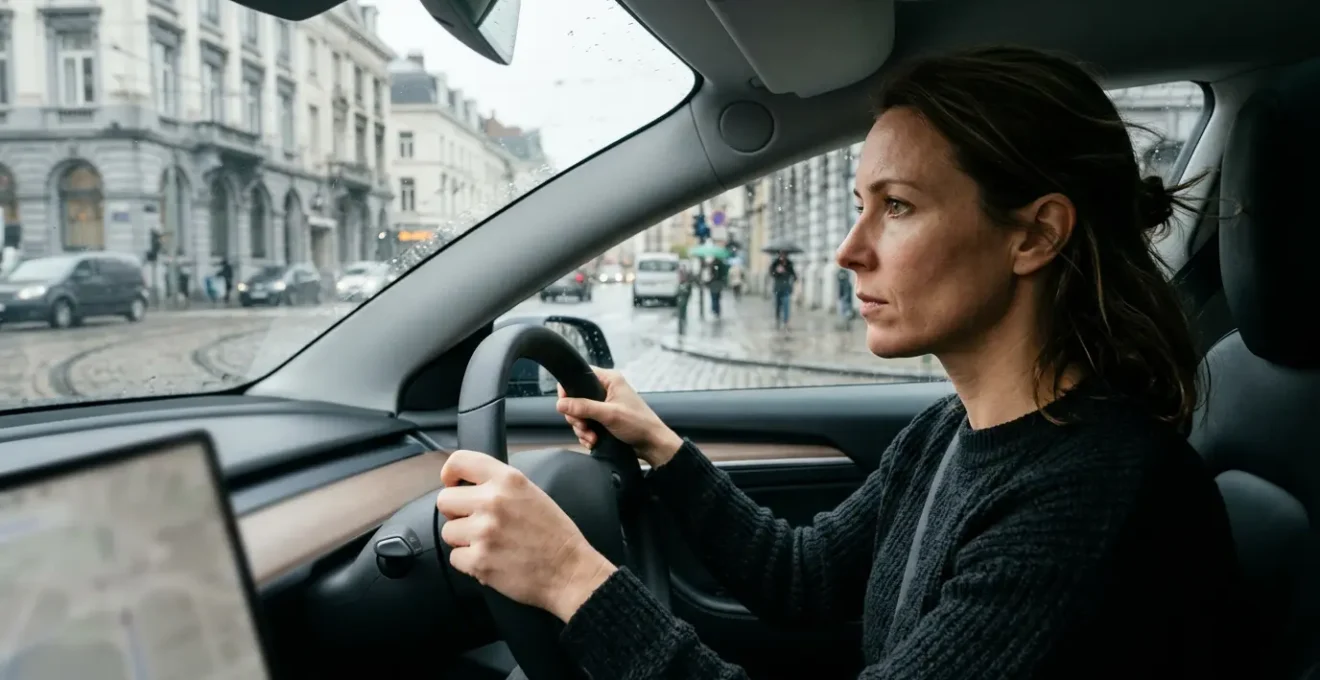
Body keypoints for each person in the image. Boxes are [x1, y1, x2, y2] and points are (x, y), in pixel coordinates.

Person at [433, 45, 1257, 679]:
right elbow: (803, 577)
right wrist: (664, 450)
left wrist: (573, 580)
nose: (848, 250)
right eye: (861, 204)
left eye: (897, 207)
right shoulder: (955, 427)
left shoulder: (1093, 497)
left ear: (1035, 234)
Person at [769, 251, 796, 328]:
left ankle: (786, 321)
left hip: (786, 287)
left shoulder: (789, 263)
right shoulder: (775, 263)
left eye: (784, 254)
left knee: (786, 304)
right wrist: (777, 271)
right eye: (781, 254)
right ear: (779, 255)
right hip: (778, 287)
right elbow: (771, 273)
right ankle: (777, 318)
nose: (783, 256)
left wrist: (786, 272)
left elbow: (794, 275)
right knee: (778, 305)